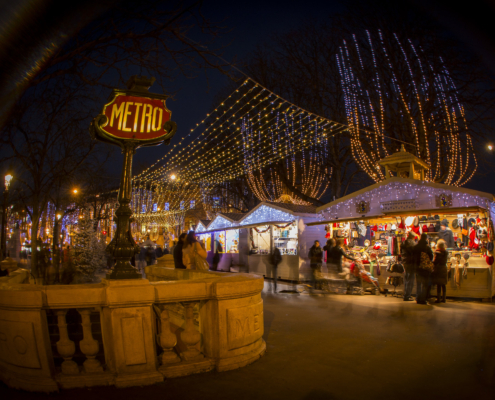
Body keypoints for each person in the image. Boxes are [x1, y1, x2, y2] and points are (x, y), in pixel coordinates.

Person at [413, 233, 434, 305]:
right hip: (425, 268)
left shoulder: (416, 247)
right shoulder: (427, 247)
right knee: (425, 284)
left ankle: (418, 298)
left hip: (417, 267)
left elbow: (413, 257)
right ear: (426, 238)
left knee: (418, 284)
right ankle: (423, 299)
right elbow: (431, 257)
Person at [432, 239, 449, 303]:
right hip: (444, 268)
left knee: (439, 285)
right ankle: (444, 298)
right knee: (443, 285)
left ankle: (438, 298)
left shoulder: (437, 253)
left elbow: (435, 262)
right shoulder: (446, 252)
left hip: (438, 269)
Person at [401, 231, 416, 301]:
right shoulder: (412, 243)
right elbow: (414, 252)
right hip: (410, 262)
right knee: (410, 280)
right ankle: (407, 295)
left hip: (405, 262)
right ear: (413, 237)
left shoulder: (404, 242)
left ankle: (405, 294)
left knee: (406, 279)